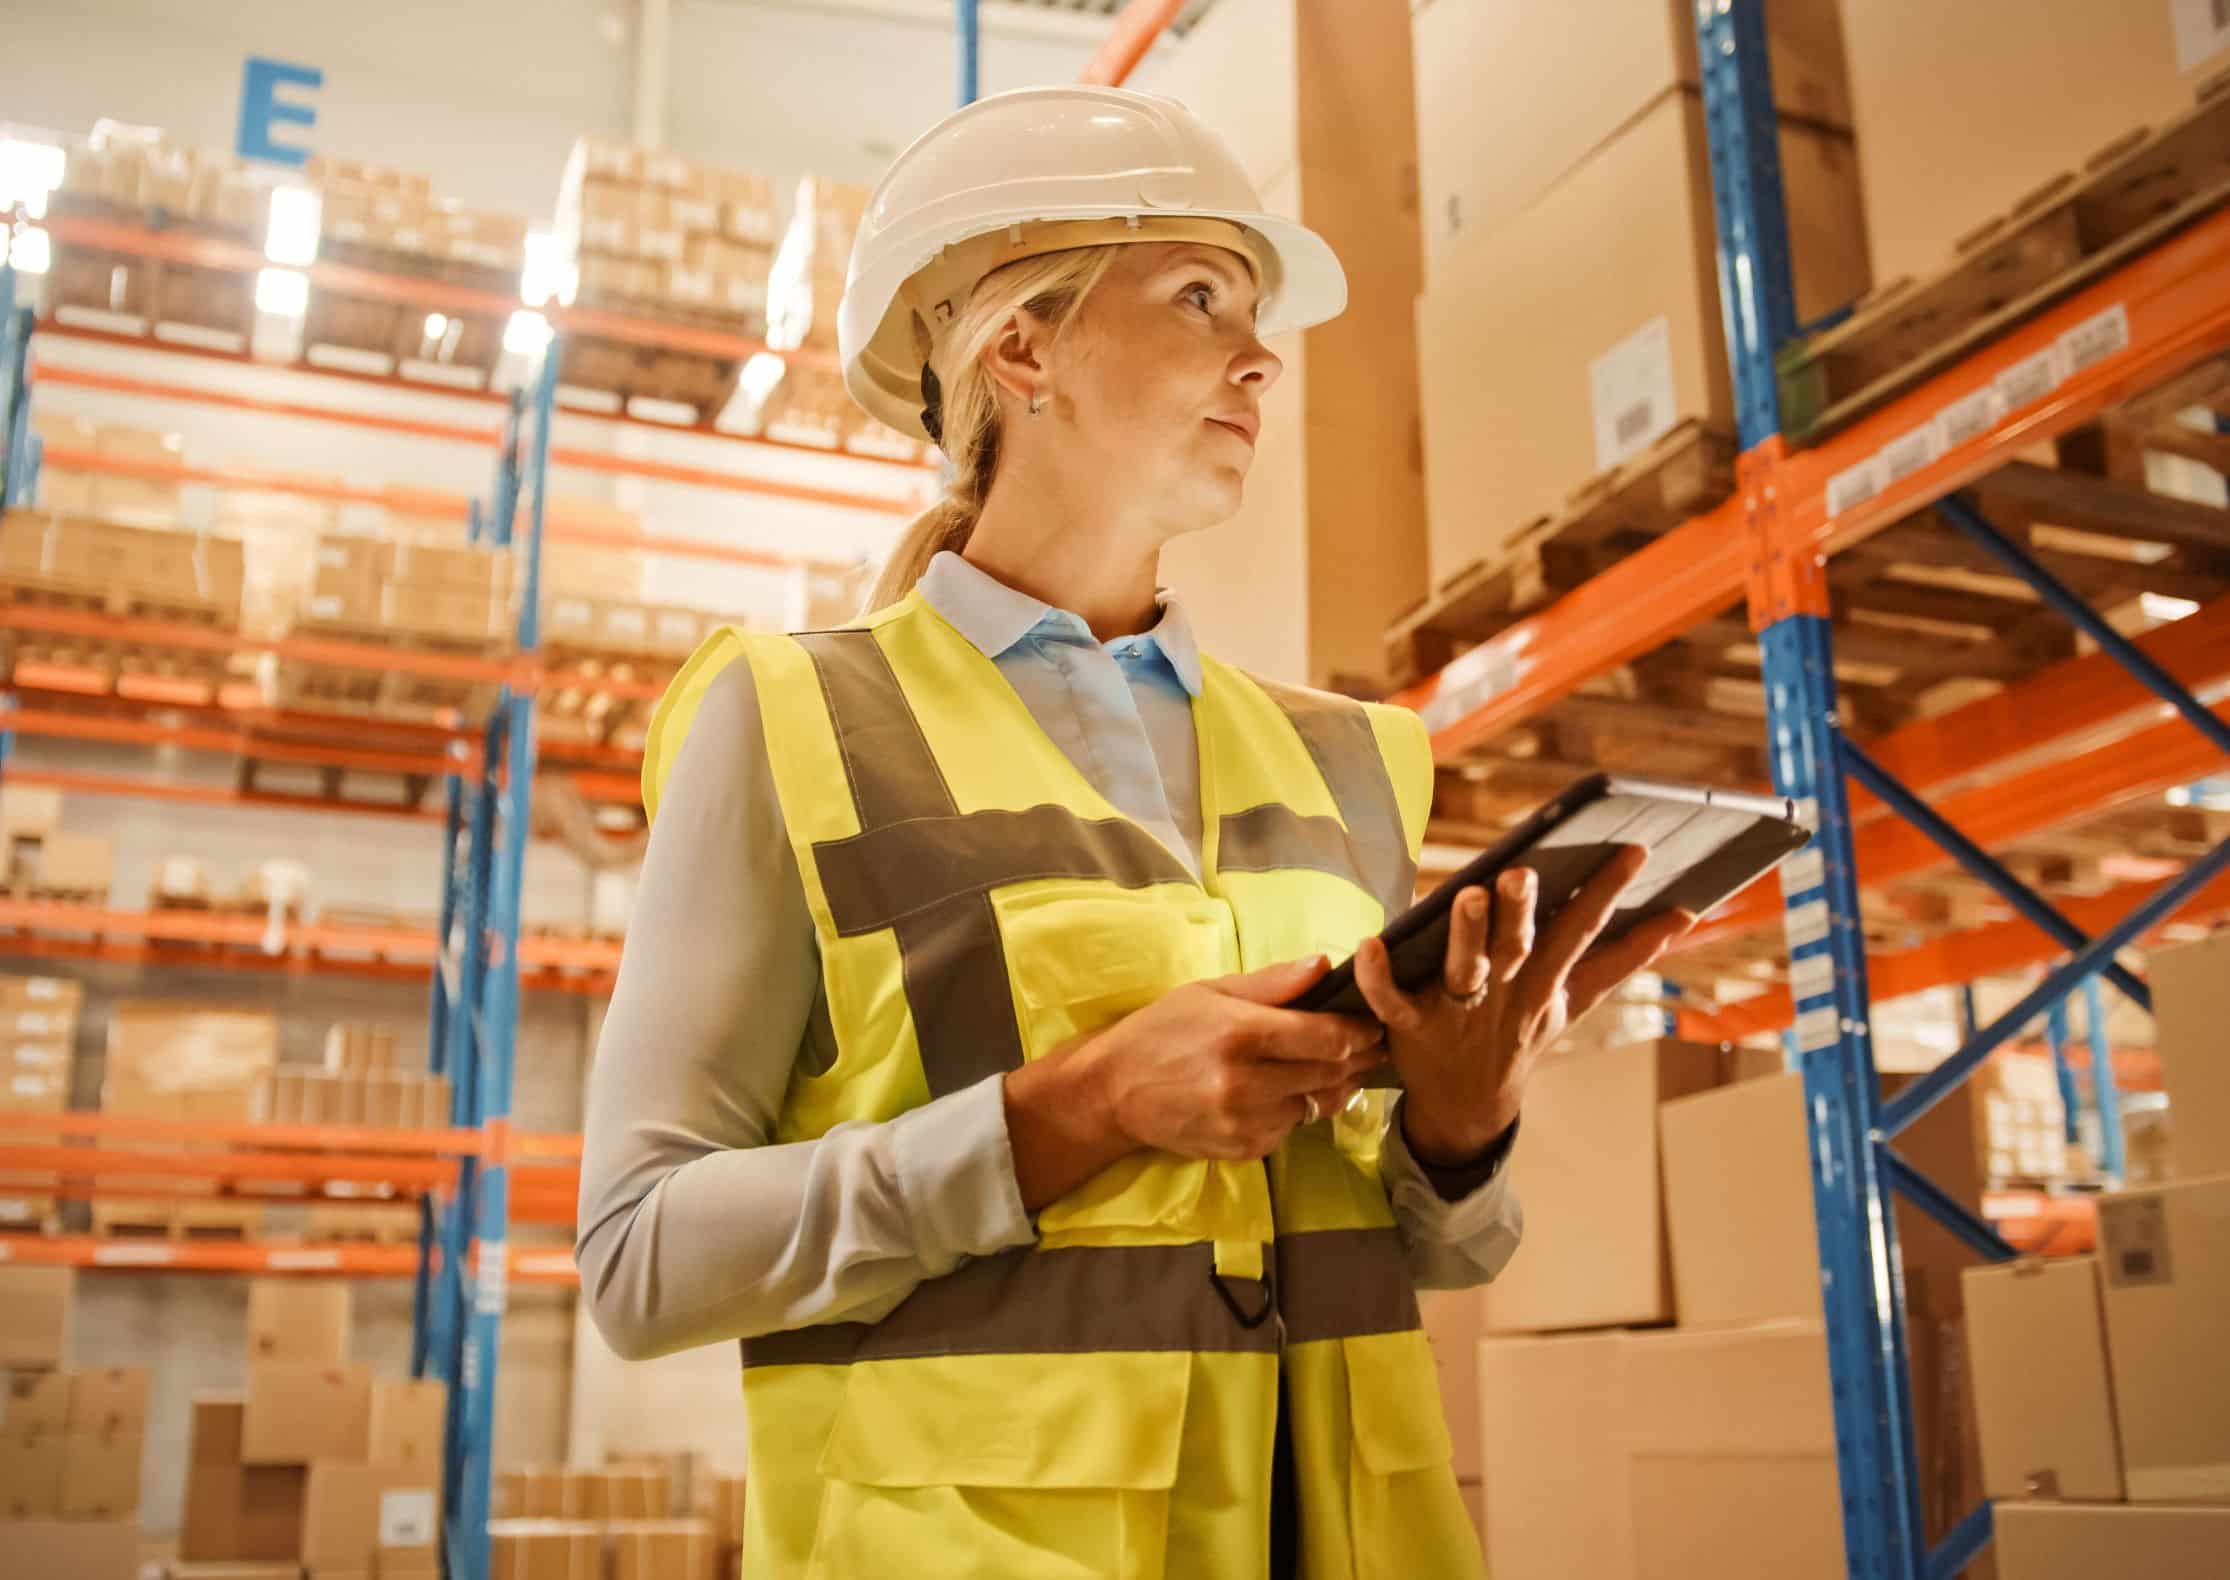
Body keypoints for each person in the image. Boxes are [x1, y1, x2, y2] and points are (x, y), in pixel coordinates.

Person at [576, 84, 1692, 1578]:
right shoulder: (793, 719)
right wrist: (1080, 1108)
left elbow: (1423, 1249)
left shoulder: (1351, 759)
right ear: (1020, 347)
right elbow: (640, 1261)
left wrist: (1461, 1124)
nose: (1259, 357)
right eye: (1197, 295)